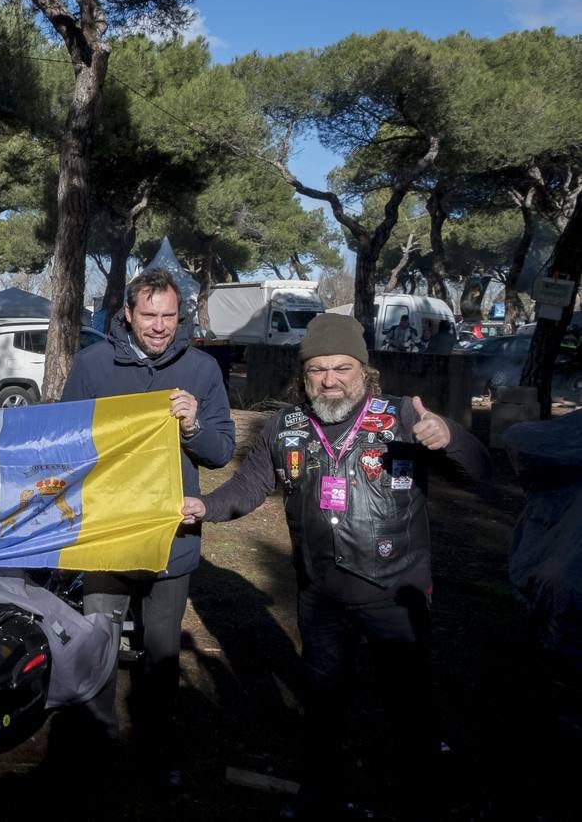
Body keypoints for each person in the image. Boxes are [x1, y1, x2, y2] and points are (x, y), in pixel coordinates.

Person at [181, 314, 490, 819]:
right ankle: (320, 792)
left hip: (395, 595)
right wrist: (206, 508)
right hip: (320, 596)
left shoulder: (402, 420)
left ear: (364, 371)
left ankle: (421, 793)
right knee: (324, 704)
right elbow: (250, 486)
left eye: (341, 368)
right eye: (317, 369)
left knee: (408, 705)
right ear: (303, 375)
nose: (329, 379)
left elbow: (479, 470)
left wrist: (449, 435)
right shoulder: (285, 426)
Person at [60, 268, 235, 788]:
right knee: (97, 647)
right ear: (129, 314)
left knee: (161, 655)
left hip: (171, 540)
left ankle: (157, 747)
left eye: (168, 316)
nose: (158, 326)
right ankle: (97, 743)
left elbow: (222, 451)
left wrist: (194, 424)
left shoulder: (202, 369)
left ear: (179, 316)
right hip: (107, 536)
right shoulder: (92, 365)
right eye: (148, 315)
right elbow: (65, 442)